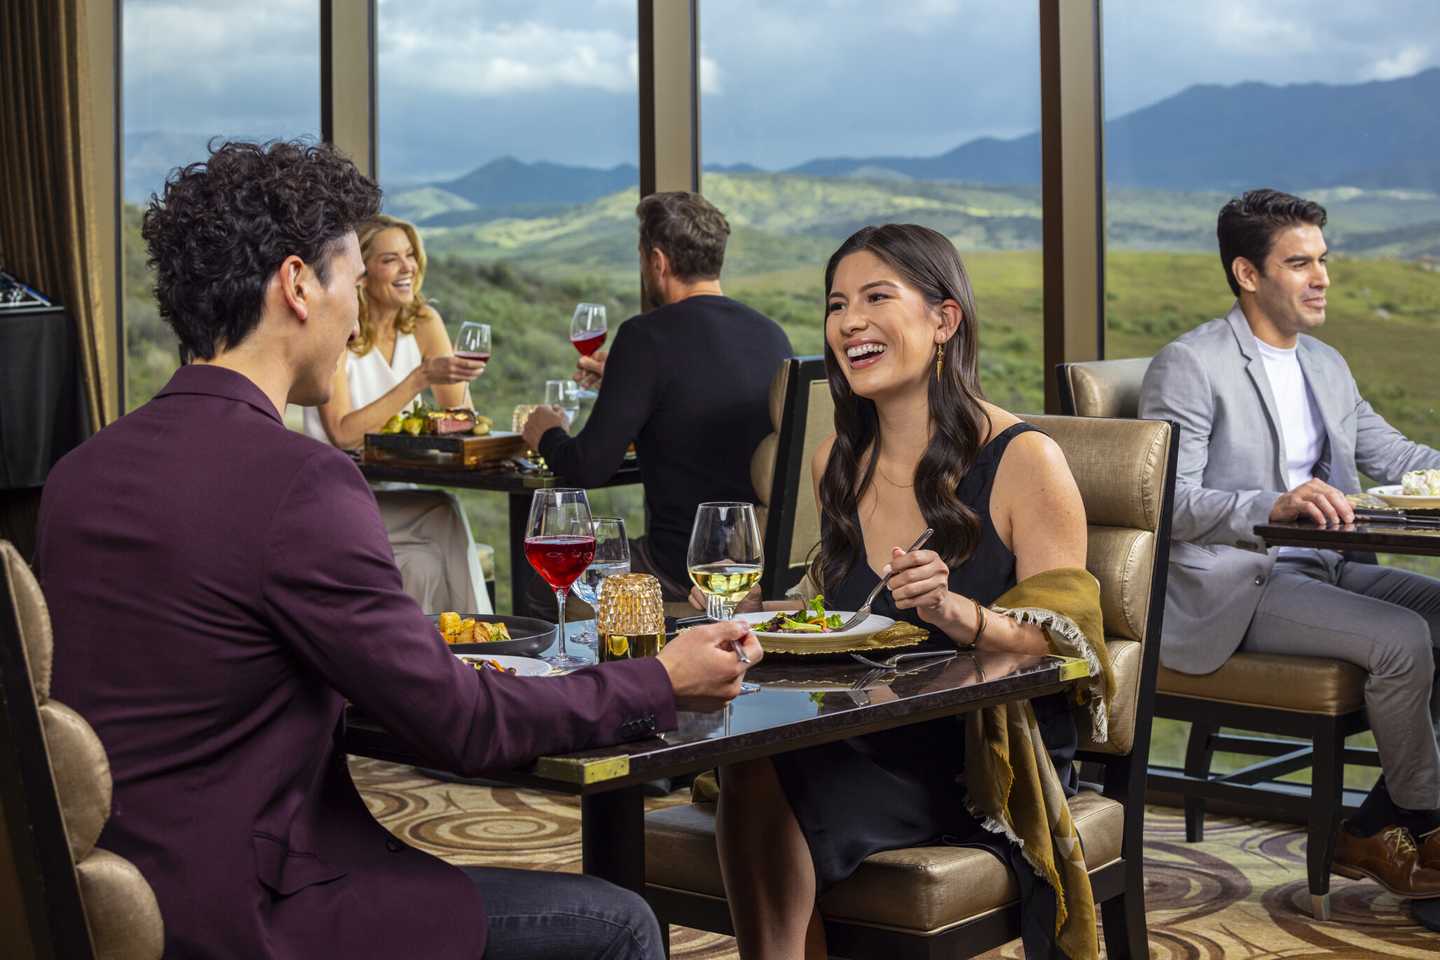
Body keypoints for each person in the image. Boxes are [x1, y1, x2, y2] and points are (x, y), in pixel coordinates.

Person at [34, 140, 762, 960]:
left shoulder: (79, 475)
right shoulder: (300, 482)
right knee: (619, 921)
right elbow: (459, 727)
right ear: (299, 285)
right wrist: (659, 679)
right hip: (250, 912)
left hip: (118, 897)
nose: (353, 316)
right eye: (350, 280)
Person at [710, 224, 1110, 959]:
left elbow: (1065, 644)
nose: (849, 322)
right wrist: (780, 618)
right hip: (860, 724)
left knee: (766, 767)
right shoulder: (836, 458)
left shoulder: (1026, 460)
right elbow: (837, 609)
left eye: (875, 298)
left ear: (943, 319)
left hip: (979, 751)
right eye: (836, 305)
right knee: (754, 754)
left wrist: (961, 614)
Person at [1139, 188, 1440, 918]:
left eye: (1323, 261)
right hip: (1239, 583)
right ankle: (1428, 828)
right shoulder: (1191, 364)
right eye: (1299, 262)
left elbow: (1396, 457)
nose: (1321, 277)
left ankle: (1373, 826)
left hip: (1326, 568)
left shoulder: (1326, 364)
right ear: (1248, 274)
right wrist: (1267, 505)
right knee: (1404, 638)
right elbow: (1163, 503)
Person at [521, 191, 793, 601]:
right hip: (754, 564)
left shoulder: (645, 336)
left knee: (542, 576)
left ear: (657, 261)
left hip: (680, 567)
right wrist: (625, 379)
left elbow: (587, 468)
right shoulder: (771, 333)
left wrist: (546, 432)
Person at [303, 213, 492, 614]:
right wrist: (419, 378)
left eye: (410, 256)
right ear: (362, 271)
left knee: (422, 566)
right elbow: (342, 433)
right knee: (444, 509)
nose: (407, 267)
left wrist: (460, 387)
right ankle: (482, 642)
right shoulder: (339, 330)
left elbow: (461, 419)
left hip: (390, 497)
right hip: (333, 497)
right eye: (391, 259)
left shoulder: (422, 322)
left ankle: (449, 657)